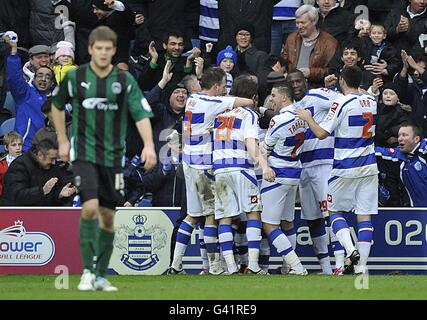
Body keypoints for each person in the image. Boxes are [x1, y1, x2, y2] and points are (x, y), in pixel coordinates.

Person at [51, 26, 157, 292]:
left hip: (114, 157)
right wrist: (63, 140)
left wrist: (149, 145)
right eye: (98, 48)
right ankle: (86, 272)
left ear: (112, 51)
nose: (103, 53)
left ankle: (100, 275)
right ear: (90, 50)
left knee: (109, 215)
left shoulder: (124, 80)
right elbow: (56, 106)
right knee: (89, 207)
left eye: (108, 49)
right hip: (85, 153)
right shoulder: (77, 78)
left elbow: (141, 113)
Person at [169, 66, 254, 275]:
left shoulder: (192, 99)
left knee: (192, 215)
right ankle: (215, 267)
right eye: (224, 86)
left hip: (188, 162)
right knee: (210, 217)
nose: (225, 90)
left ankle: (175, 265)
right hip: (203, 165)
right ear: (215, 86)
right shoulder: (212, 102)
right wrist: (232, 100)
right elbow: (248, 102)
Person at [296, 65, 378, 275]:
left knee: (333, 210)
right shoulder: (371, 101)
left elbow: (322, 133)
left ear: (342, 80)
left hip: (344, 166)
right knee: (364, 216)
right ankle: (361, 268)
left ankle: (351, 251)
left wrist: (308, 118)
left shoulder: (341, 102)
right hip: (368, 165)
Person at [212, 76, 274, 275]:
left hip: (220, 168)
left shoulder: (220, 114)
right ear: (254, 97)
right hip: (241, 167)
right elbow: (251, 142)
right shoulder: (249, 114)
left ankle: (230, 267)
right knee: (253, 213)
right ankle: (254, 265)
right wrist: (264, 166)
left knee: (225, 218)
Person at [260, 84, 308, 276]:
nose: (271, 99)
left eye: (273, 95)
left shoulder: (278, 120)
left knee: (270, 225)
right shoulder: (303, 116)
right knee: (287, 222)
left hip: (277, 173)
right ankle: (288, 268)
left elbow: (266, 148)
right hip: (294, 171)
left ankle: (297, 266)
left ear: (284, 98)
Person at [3, 34, 55, 152]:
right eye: (39, 76)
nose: (43, 79)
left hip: (51, 152)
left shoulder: (59, 95)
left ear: (52, 82)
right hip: (27, 149)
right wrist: (14, 52)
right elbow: (14, 77)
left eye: (47, 77)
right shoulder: (25, 94)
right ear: (34, 79)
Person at [1, 138, 76, 206]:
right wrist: (42, 191)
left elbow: (51, 196)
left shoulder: (53, 166)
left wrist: (59, 195)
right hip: (16, 215)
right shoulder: (19, 165)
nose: (54, 162)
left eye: (55, 159)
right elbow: (17, 196)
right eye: (51, 159)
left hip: (43, 215)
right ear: (40, 155)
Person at [282, 4, 338, 88]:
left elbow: (332, 71)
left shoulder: (329, 42)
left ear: (314, 21)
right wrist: (283, 72)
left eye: (303, 22)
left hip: (316, 87)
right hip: (292, 85)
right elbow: (283, 61)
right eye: (297, 23)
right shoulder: (291, 38)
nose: (299, 26)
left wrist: (311, 73)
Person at [375, 122, 427, 207]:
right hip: (416, 214)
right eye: (399, 135)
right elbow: (375, 152)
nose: (400, 138)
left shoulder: (424, 149)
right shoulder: (398, 154)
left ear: (416, 139)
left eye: (404, 135)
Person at [0, 131, 23, 199]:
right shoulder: (1, 164)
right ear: (6, 147)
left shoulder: (29, 162)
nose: (18, 148)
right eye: (14, 145)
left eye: (20, 144)